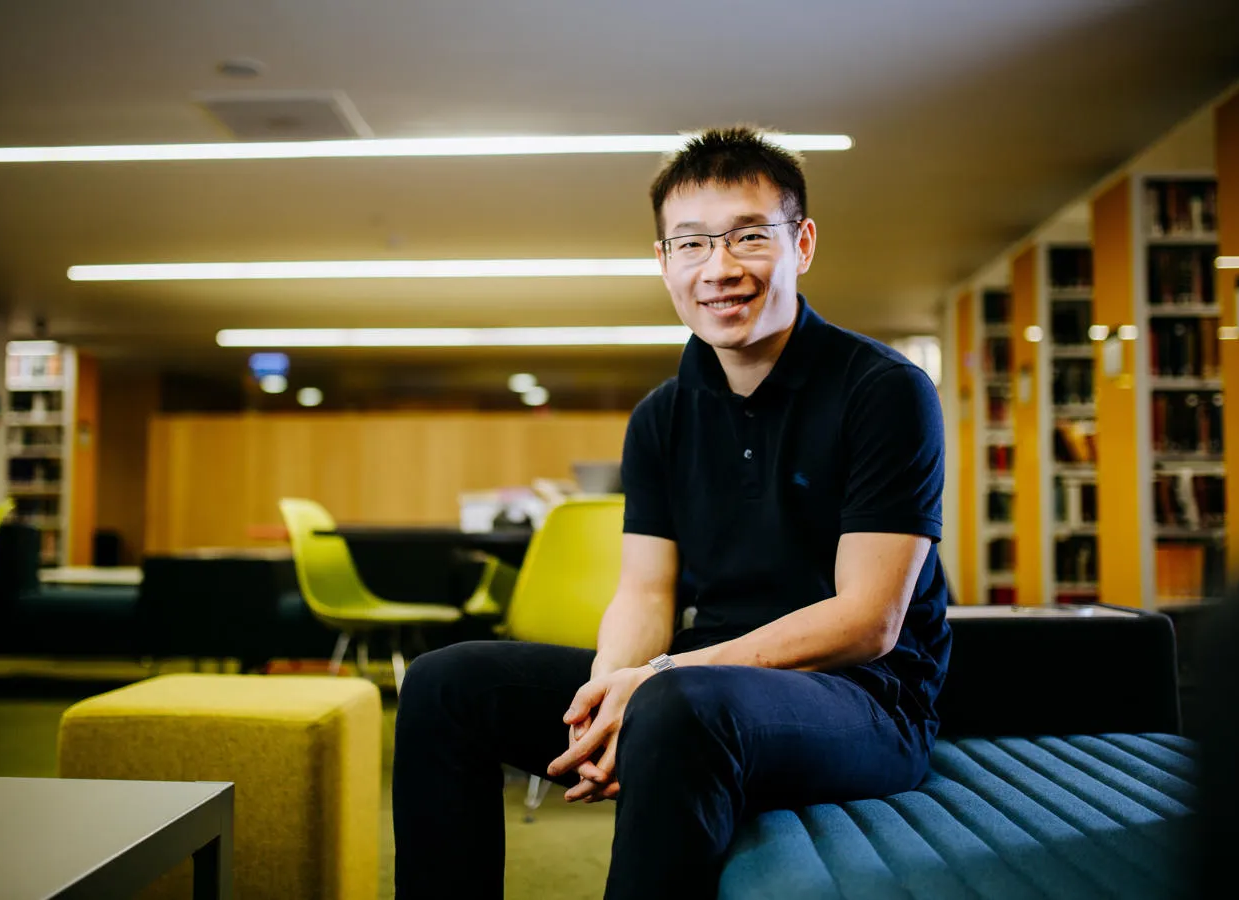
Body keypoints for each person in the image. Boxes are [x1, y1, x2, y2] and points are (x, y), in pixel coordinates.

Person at [392, 126, 951, 899]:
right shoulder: (660, 416)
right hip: (698, 683)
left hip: (864, 702)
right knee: (443, 684)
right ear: (663, 262)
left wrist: (656, 679)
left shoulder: (884, 391)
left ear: (803, 243)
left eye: (749, 237)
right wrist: (607, 691)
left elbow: (868, 620)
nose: (719, 269)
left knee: (678, 705)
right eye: (690, 245)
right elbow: (646, 591)